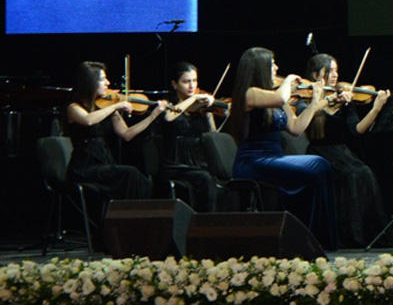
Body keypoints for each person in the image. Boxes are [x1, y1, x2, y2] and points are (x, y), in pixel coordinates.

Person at [226, 47, 338, 250]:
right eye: (272, 64)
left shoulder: (275, 95)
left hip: (274, 159)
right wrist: (288, 81)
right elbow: (281, 98)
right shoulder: (250, 93)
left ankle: (312, 237)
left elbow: (296, 127)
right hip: (253, 162)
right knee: (318, 164)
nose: (277, 68)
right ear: (259, 68)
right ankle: (312, 237)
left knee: (320, 167)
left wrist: (314, 103)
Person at [300, 53, 390, 248]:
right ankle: (347, 236)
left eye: (336, 70)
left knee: (364, 172)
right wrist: (330, 99)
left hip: (342, 152)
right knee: (352, 175)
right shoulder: (308, 98)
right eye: (329, 71)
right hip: (319, 152)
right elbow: (305, 118)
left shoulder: (344, 97)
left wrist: (376, 108)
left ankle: (367, 234)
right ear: (316, 75)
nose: (335, 75)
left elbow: (357, 130)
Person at [65, 62, 163, 208]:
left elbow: (126, 134)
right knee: (130, 175)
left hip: (104, 164)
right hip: (84, 167)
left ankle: (135, 218)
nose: (108, 83)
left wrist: (152, 116)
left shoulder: (107, 107)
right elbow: (88, 120)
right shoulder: (73, 108)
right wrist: (116, 106)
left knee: (140, 179)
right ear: (90, 82)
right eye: (102, 79)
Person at [160, 62, 222, 211]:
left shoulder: (201, 108)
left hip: (199, 161)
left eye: (194, 81)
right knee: (205, 179)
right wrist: (193, 99)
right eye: (186, 81)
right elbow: (169, 117)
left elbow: (212, 135)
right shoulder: (168, 105)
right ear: (175, 84)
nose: (192, 86)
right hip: (176, 163)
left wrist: (209, 114)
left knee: (219, 176)